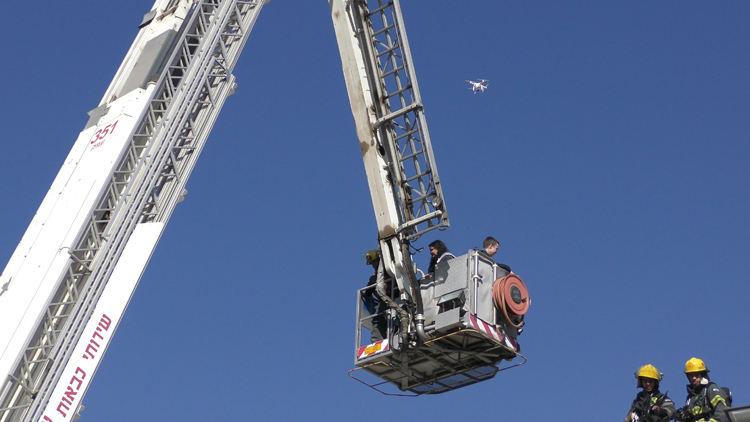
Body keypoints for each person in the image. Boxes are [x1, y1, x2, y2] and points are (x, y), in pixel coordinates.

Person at [675, 358, 729, 422]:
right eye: (691, 375)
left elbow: (721, 412)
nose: (694, 378)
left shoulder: (711, 389)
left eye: (696, 375)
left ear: (702, 374)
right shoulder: (690, 398)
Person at [362, 249, 396, 343]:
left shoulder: (377, 277)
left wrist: (367, 296)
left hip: (388, 301)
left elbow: (368, 291)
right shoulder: (392, 270)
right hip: (397, 300)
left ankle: (377, 342)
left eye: (373, 262)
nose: (372, 265)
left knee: (377, 320)